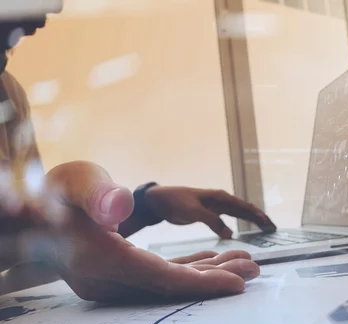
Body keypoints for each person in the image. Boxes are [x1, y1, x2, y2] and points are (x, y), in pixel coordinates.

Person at [0, 2, 276, 301]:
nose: (49, 14)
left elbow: (42, 253)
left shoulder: (8, 93)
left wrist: (146, 205)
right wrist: (48, 221)